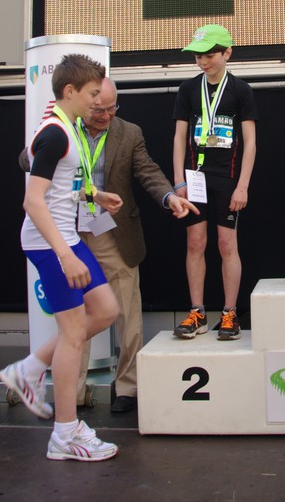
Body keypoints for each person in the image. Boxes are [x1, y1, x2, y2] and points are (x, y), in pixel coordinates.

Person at [0, 54, 122, 462]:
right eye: (92, 94)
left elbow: (59, 186)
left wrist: (95, 194)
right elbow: (33, 201)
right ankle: (65, 434)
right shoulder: (55, 134)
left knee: (105, 310)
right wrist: (65, 255)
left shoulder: (66, 127)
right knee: (72, 335)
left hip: (65, 239)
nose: (97, 102)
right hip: (50, 244)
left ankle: (29, 368)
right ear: (70, 91)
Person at [73, 77, 198, 412]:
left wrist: (169, 197)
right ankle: (73, 391)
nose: (106, 115)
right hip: (68, 234)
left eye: (112, 108)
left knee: (126, 312)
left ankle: (128, 387)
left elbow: (148, 172)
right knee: (76, 314)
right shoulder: (63, 129)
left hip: (111, 231)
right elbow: (28, 160)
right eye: (99, 110)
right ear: (84, 103)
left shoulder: (129, 133)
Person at [172, 24, 257, 340]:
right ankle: (197, 312)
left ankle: (229, 314)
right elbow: (179, 138)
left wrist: (243, 185)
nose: (203, 61)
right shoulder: (188, 89)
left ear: (227, 53)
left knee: (226, 244)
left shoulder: (240, 90)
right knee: (195, 242)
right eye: (198, 56)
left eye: (209, 55)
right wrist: (178, 181)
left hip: (228, 178)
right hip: (195, 178)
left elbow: (250, 142)